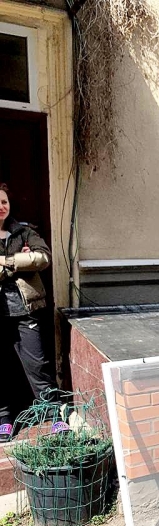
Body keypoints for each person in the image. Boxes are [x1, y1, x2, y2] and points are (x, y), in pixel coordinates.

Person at [0, 183, 57, 443]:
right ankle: (4, 420)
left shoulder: (24, 232)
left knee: (38, 365)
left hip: (26, 310)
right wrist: (23, 261)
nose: (1, 207)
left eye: (4, 201)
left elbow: (43, 257)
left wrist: (7, 261)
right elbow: (31, 261)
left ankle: (54, 415)